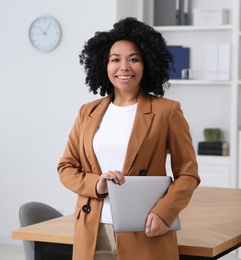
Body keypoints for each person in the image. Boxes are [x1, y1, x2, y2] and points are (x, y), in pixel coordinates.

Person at [57, 17, 200, 260]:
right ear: (104, 64)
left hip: (145, 227)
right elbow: (66, 167)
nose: (124, 67)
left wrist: (165, 213)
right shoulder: (87, 112)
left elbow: (188, 174)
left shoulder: (167, 111)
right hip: (93, 228)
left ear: (147, 64)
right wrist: (97, 184)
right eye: (115, 59)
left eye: (133, 59)